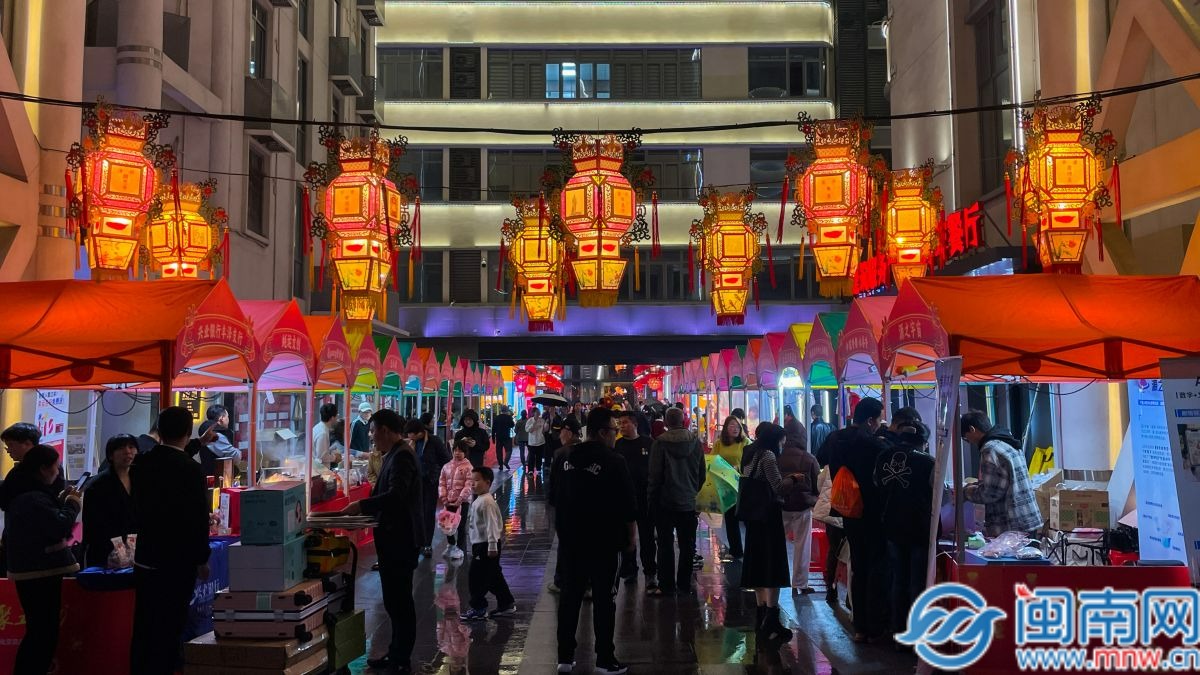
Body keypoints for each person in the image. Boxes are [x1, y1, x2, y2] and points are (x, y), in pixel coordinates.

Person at [553, 408, 636, 675]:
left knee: (570, 597)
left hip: (571, 541)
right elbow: (628, 507)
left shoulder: (564, 457)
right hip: (604, 543)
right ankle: (604, 658)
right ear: (602, 432)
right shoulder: (614, 461)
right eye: (614, 430)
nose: (616, 434)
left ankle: (565, 657)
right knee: (604, 600)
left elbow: (554, 498)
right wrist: (630, 539)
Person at [131, 406, 212, 674]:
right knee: (170, 625)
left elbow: (167, 459)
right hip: (177, 563)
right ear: (188, 433)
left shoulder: (141, 464)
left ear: (159, 430)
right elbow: (197, 518)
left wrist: (198, 444)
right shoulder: (190, 470)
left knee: (144, 624)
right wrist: (202, 558)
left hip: (145, 558)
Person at [345, 409, 423, 675]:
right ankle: (396, 651)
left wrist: (362, 505)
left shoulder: (402, 456)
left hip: (400, 540)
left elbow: (396, 497)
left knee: (400, 600)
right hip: (393, 539)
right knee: (393, 599)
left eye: (373, 430)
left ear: (386, 431)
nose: (372, 436)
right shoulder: (395, 454)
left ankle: (401, 658)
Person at [0, 445, 81, 675]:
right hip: (39, 572)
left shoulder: (26, 494)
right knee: (42, 634)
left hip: (32, 571)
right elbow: (59, 526)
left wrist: (61, 501)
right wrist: (72, 504)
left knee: (39, 631)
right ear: (44, 469)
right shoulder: (32, 498)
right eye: (56, 466)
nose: (58, 471)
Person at [824, 397, 890, 643]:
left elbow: (825, 461)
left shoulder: (836, 439)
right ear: (871, 420)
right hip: (871, 512)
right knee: (875, 567)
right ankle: (874, 625)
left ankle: (859, 625)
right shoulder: (873, 445)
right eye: (879, 419)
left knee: (858, 566)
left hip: (847, 510)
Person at [874, 409, 934, 636]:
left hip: (891, 525)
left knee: (898, 579)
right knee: (917, 582)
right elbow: (938, 494)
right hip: (919, 528)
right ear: (922, 442)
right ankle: (916, 632)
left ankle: (898, 630)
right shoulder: (928, 462)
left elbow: (877, 485)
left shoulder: (883, 457)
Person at [740, 422, 793, 645]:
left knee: (757, 564)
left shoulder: (748, 451)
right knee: (772, 565)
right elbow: (778, 486)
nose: (784, 444)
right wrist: (795, 480)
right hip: (768, 517)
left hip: (752, 516)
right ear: (775, 440)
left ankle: (761, 615)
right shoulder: (769, 456)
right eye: (782, 440)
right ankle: (771, 619)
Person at [647, 406, 705, 597]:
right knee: (687, 545)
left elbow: (655, 476)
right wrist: (693, 492)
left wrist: (651, 500)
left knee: (664, 545)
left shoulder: (659, 444)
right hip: (688, 502)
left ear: (665, 422)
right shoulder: (695, 443)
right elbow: (702, 474)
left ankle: (666, 584)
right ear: (684, 421)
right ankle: (684, 584)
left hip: (665, 502)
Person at [961, 410, 1042, 537]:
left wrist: (965, 492)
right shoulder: (1006, 442)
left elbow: (990, 493)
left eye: (965, 438)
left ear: (972, 429)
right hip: (1027, 518)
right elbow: (1003, 481)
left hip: (1011, 526)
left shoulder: (990, 449)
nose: (969, 442)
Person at [459, 467, 517, 622]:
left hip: (486, 546)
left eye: (477, 480)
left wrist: (492, 545)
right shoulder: (481, 499)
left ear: (488, 482)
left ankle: (478, 608)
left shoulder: (487, 502)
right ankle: (506, 603)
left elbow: (492, 525)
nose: (473, 484)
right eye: (472, 480)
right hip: (482, 544)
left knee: (476, 577)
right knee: (493, 576)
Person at [82, 434, 138, 569]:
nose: (128, 451)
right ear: (111, 455)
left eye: (131, 447)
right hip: (106, 549)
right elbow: (93, 524)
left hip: (135, 547)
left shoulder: (140, 478)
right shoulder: (97, 484)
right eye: (121, 448)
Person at [615, 412, 656, 589]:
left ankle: (650, 573)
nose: (621, 426)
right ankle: (630, 570)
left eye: (624, 423)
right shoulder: (618, 445)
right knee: (626, 537)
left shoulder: (649, 443)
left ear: (635, 424)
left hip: (644, 498)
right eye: (619, 423)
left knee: (647, 537)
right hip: (624, 498)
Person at [779, 424, 819, 595]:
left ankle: (776, 579)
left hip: (782, 506)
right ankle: (800, 584)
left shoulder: (777, 457)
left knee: (776, 544)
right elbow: (817, 484)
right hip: (802, 506)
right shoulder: (809, 458)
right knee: (802, 546)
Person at [546, 416, 583, 593]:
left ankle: (561, 581)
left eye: (562, 431)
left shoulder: (560, 454)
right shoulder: (587, 451)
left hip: (565, 507)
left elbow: (553, 482)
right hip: (583, 507)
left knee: (565, 544)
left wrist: (553, 501)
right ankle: (585, 583)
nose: (559, 434)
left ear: (569, 432)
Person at [407, 418, 450, 558]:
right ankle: (418, 542)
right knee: (416, 512)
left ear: (419, 432)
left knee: (428, 512)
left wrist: (440, 477)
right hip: (415, 483)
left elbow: (446, 459)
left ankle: (427, 544)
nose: (409, 436)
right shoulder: (411, 443)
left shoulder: (434, 441)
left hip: (430, 482)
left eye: (411, 433)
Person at [713, 415, 749, 562]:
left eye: (737, 426)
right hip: (725, 485)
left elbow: (749, 461)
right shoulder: (719, 443)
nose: (734, 428)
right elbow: (713, 461)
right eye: (731, 426)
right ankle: (736, 550)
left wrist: (737, 468)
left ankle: (752, 549)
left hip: (742, 484)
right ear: (726, 428)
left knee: (746, 518)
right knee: (730, 518)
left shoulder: (745, 442)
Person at [812, 462, 844, 606]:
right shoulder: (861, 461)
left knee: (834, 550)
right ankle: (852, 597)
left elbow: (819, 485)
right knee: (853, 555)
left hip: (832, 512)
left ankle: (831, 589)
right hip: (854, 515)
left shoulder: (830, 465)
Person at [439, 440, 474, 561]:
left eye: (460, 451)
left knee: (460, 525)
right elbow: (442, 483)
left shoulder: (468, 467)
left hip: (462, 502)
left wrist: (460, 499)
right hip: (448, 501)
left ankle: (461, 548)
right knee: (447, 525)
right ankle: (451, 546)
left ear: (465, 453)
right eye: (455, 450)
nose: (457, 453)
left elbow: (468, 485)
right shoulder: (446, 466)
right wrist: (444, 498)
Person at [313, 402, 343, 468]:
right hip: (320, 471)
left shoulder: (318, 427)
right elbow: (322, 456)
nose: (337, 418)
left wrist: (331, 450)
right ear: (332, 418)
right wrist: (335, 458)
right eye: (337, 416)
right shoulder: (322, 433)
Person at [524, 411, 548, 476]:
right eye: (536, 412)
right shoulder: (530, 420)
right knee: (531, 457)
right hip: (532, 442)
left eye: (538, 412)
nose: (538, 414)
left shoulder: (542, 420)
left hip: (541, 441)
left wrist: (547, 424)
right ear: (533, 413)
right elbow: (528, 430)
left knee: (539, 456)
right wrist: (534, 423)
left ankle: (538, 469)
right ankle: (530, 470)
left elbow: (545, 429)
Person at [491, 407, 515, 472]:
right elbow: (512, 425)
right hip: (506, 436)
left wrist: (493, 438)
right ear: (506, 411)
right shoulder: (508, 417)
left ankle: (501, 465)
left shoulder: (497, 417)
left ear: (501, 411)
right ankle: (506, 461)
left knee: (499, 451)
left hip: (498, 436)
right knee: (509, 450)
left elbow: (493, 428)